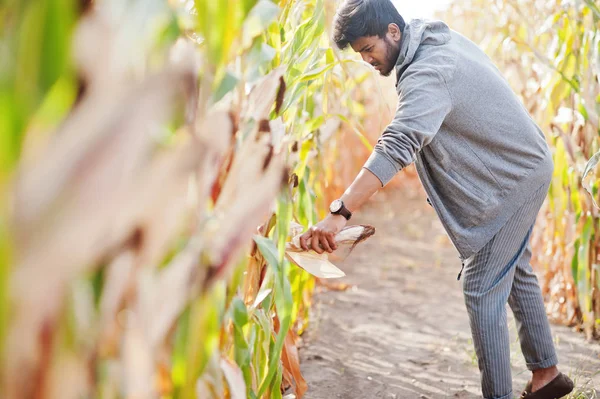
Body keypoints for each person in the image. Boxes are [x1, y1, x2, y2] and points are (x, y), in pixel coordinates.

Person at [298, 1, 575, 398]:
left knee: (482, 286)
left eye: (367, 49)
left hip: (514, 178)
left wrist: (340, 212)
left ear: (393, 32)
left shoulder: (429, 69)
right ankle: (547, 375)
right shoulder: (427, 43)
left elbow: (399, 143)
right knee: (515, 268)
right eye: (359, 54)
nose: (366, 60)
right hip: (522, 167)